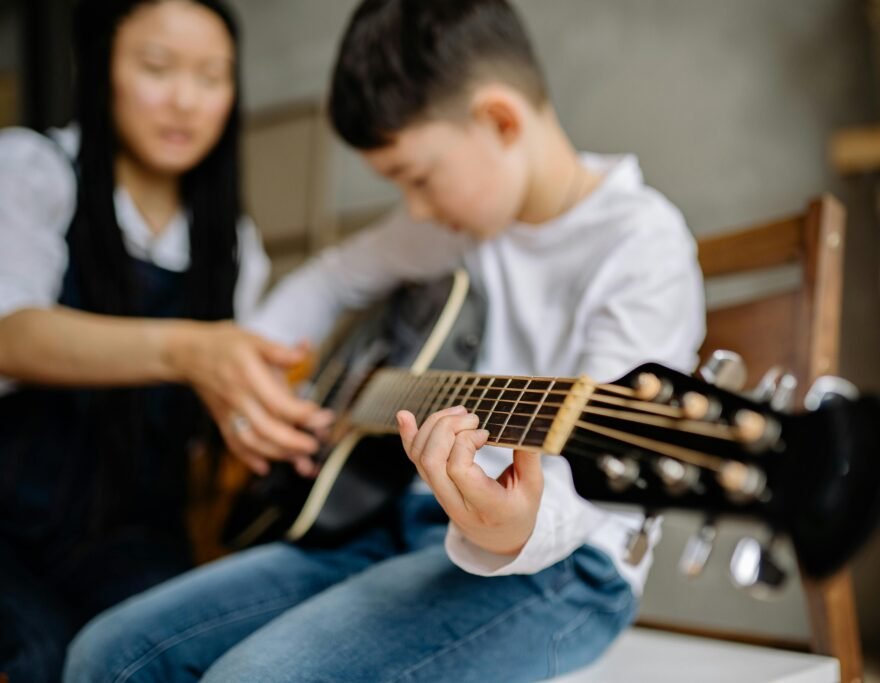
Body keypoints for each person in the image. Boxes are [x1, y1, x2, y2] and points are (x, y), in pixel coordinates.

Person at [64, 0, 706, 680]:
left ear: (499, 120)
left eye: (417, 179)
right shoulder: (458, 221)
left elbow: (594, 475)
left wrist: (515, 522)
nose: (415, 208)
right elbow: (332, 278)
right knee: (108, 653)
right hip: (385, 522)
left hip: (559, 569)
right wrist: (259, 379)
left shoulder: (641, 247)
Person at [0, 1, 330, 680]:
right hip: (8, 521)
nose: (185, 101)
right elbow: (10, 332)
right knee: (39, 657)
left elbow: (228, 411)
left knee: (169, 653)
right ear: (99, 71)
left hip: (136, 535)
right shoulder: (33, 169)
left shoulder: (232, 242)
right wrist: (189, 349)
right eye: (157, 68)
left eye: (212, 77)